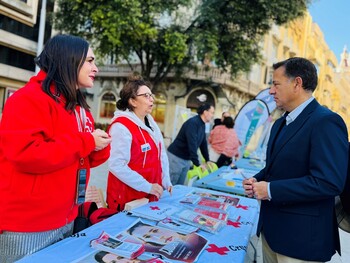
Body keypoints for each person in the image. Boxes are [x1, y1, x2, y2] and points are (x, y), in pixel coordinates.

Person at [0, 34, 112, 262]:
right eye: (90, 61)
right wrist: (87, 142)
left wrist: (99, 147)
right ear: (69, 60)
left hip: (66, 217)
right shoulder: (28, 99)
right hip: (28, 225)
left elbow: (82, 158)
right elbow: (27, 154)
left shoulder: (78, 106)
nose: (96, 68)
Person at [243, 57, 348, 262]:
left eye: (275, 84)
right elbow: (275, 167)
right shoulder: (280, 123)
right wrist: (257, 180)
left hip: (300, 243)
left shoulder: (326, 122)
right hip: (270, 234)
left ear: (297, 83)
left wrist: (271, 190)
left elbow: (328, 182)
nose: (271, 91)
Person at [106, 75, 172, 212]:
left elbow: (161, 154)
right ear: (133, 101)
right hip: (128, 199)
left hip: (150, 195)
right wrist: (147, 186)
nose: (152, 99)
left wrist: (166, 180)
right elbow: (116, 165)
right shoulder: (121, 127)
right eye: (146, 96)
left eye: (151, 95)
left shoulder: (151, 122)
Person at [167, 103, 215, 185]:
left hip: (186, 159)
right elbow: (192, 144)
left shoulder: (202, 124)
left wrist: (207, 160)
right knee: (171, 185)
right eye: (212, 112)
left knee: (179, 186)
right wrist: (198, 164)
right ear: (205, 112)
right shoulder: (193, 123)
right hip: (176, 157)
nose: (212, 115)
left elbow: (203, 143)